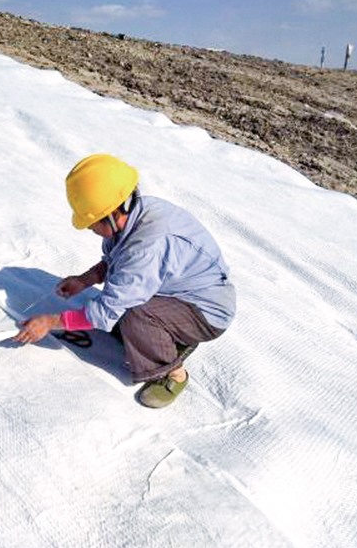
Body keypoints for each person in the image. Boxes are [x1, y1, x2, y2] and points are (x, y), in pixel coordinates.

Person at [13, 154, 236, 408]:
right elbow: (119, 262)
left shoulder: (146, 246)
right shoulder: (135, 217)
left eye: (92, 222)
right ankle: (165, 334)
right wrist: (85, 280)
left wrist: (51, 322)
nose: (89, 228)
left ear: (112, 212)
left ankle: (173, 372)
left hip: (206, 313)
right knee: (128, 309)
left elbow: (107, 309)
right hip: (179, 292)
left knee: (135, 315)